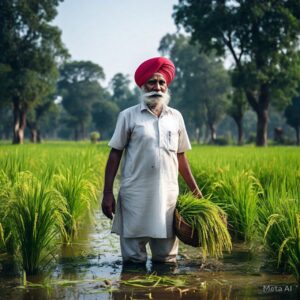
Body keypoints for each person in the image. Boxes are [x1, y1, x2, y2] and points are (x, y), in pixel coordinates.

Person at [102, 57, 202, 264]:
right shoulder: (128, 116)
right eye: (151, 82)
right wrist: (107, 193)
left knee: (166, 258)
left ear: (167, 86)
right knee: (132, 258)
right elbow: (115, 154)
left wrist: (196, 190)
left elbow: (181, 156)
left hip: (168, 196)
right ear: (142, 86)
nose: (157, 87)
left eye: (161, 82)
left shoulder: (176, 117)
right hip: (135, 195)